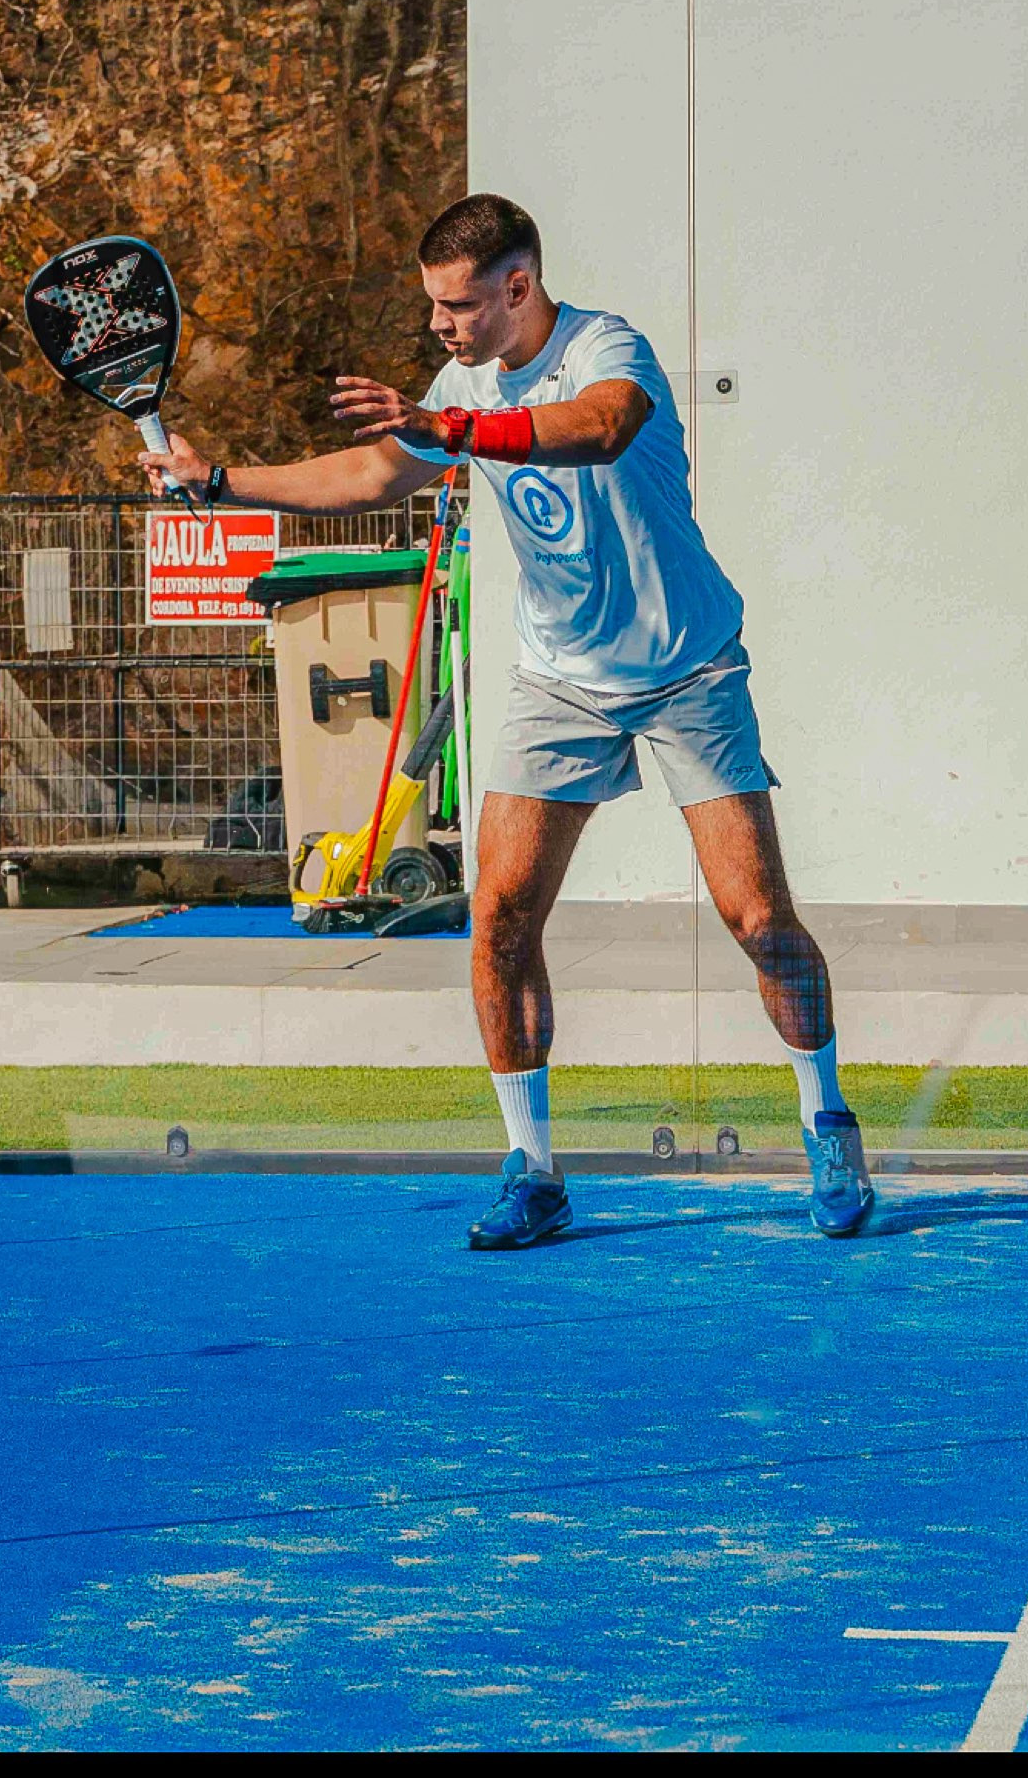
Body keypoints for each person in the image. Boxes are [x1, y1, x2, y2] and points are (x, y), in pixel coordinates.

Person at [137, 193, 873, 1244]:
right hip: (558, 680)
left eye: (459, 305)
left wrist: (456, 427)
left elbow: (600, 429)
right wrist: (219, 480)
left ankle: (827, 1118)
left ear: (518, 286)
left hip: (689, 668)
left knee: (758, 918)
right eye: (433, 304)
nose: (440, 324)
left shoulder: (605, 347)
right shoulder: (460, 383)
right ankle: (533, 1169)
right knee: (500, 917)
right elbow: (372, 471)